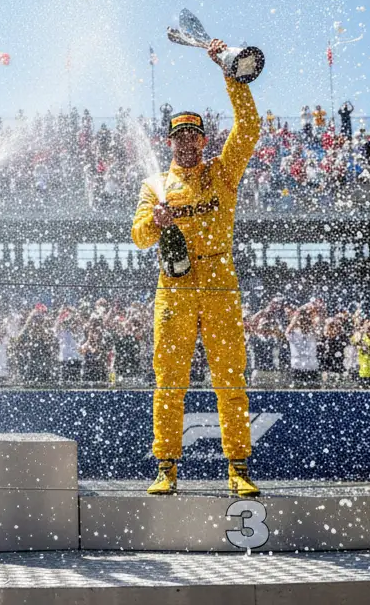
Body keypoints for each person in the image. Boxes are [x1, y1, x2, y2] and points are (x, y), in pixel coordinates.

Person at [130, 37, 261, 497]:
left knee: (230, 378)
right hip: (174, 286)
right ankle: (166, 467)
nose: (186, 144)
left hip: (221, 280)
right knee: (169, 381)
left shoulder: (223, 172)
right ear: (169, 143)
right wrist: (155, 219)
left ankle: (238, 467)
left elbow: (249, 127)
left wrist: (229, 72)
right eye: (179, 137)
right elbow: (138, 235)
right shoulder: (156, 183)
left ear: (204, 140)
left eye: (193, 137)